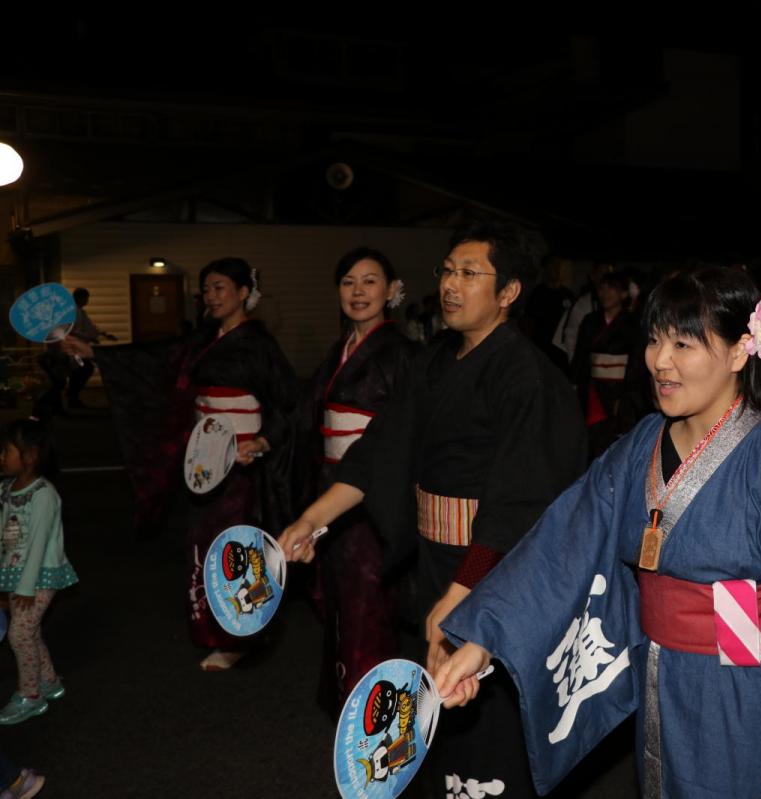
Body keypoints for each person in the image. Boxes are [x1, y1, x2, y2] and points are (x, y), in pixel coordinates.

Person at [433, 269, 761, 799]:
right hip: (662, 677)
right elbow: (562, 541)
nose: (659, 360)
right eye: (655, 338)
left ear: (740, 351)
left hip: (749, 693)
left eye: (683, 343)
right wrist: (482, 640)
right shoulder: (642, 442)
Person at [281, 218, 586, 797]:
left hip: (494, 573)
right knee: (433, 718)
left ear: (509, 292)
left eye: (470, 273)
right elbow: (380, 451)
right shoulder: (435, 361)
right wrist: (312, 519)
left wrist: (462, 593)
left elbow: (521, 502)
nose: (451, 283)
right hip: (435, 565)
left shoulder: (525, 374)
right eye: (447, 270)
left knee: (487, 722)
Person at [66, 258, 298, 672]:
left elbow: (287, 403)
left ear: (245, 292)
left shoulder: (261, 344)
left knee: (236, 547)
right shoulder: (203, 339)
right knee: (203, 543)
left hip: (242, 463)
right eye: (207, 289)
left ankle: (240, 635)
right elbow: (158, 361)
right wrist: (94, 352)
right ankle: (218, 629)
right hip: (206, 458)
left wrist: (262, 441)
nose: (211, 296)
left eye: (220, 287)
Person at [298, 247, 418, 710]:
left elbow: (408, 433)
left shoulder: (404, 354)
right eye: (348, 282)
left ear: (392, 291)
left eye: (370, 281)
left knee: (369, 598)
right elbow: (306, 413)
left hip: (374, 496)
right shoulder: (338, 352)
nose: (358, 291)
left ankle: (374, 705)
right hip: (333, 485)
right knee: (340, 592)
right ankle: (350, 690)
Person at [0, 420, 76, 725]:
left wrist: (27, 586)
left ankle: (30, 696)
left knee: (19, 633)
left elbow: (38, 543)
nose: (1, 457)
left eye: (6, 451)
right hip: (17, 574)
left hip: (40, 576)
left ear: (29, 456)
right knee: (29, 631)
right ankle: (49, 682)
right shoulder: (6, 489)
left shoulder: (44, 494)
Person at [571, 271, 641, 458]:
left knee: (617, 445)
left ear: (624, 294)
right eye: (602, 288)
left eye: (612, 288)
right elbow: (581, 358)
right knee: (592, 443)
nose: (605, 293)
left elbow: (635, 363)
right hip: (594, 390)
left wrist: (625, 396)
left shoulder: (633, 324)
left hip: (619, 393)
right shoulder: (590, 321)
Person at [65, 287, 116, 409]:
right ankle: (72, 396)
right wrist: (90, 337)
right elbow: (72, 330)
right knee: (83, 369)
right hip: (73, 349)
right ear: (80, 298)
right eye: (86, 298)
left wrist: (103, 334)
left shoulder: (80, 312)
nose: (87, 301)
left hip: (78, 348)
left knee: (82, 369)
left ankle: (73, 396)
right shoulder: (73, 312)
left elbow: (90, 326)